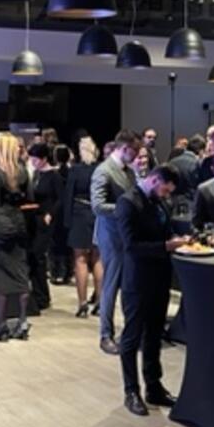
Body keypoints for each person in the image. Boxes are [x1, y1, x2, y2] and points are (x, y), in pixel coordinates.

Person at [115, 164, 187, 416]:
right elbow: (131, 246)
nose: (166, 195)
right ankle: (131, 390)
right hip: (137, 281)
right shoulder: (128, 203)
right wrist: (166, 246)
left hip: (160, 278)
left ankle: (154, 386)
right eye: (165, 190)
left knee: (154, 335)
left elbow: (165, 230)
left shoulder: (160, 202)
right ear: (155, 180)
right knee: (132, 337)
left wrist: (176, 239)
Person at [0, 133, 35, 341]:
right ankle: (23, 321)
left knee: (1, 276)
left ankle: (2, 324)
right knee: (21, 272)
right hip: (19, 225)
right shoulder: (22, 172)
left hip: (0, 228)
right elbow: (29, 198)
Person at [91, 130, 140, 354]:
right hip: (111, 236)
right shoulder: (104, 171)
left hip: (126, 235)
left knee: (128, 285)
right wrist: (126, 209)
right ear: (124, 148)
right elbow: (98, 206)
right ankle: (106, 335)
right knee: (110, 286)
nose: (137, 154)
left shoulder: (128, 171)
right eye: (135, 150)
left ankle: (128, 332)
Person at [64, 137, 103, 318]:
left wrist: (67, 222)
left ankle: (82, 303)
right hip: (98, 215)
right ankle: (100, 302)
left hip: (79, 214)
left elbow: (68, 196)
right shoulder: (101, 169)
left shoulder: (75, 170)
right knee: (98, 258)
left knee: (80, 259)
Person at [27, 143, 62, 312]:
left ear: (44, 159)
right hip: (34, 218)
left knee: (39, 255)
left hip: (46, 219)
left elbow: (60, 198)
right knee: (34, 257)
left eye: (35, 159)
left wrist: (51, 214)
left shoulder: (53, 176)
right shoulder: (35, 174)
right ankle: (37, 293)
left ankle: (43, 296)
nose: (33, 162)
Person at [51, 144, 75, 284]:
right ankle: (68, 271)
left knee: (56, 242)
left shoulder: (54, 173)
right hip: (70, 210)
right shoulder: (73, 171)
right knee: (67, 242)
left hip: (57, 210)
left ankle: (57, 272)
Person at [167, 134, 203, 198]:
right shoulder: (196, 164)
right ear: (200, 151)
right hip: (189, 201)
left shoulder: (172, 162)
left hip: (172, 200)